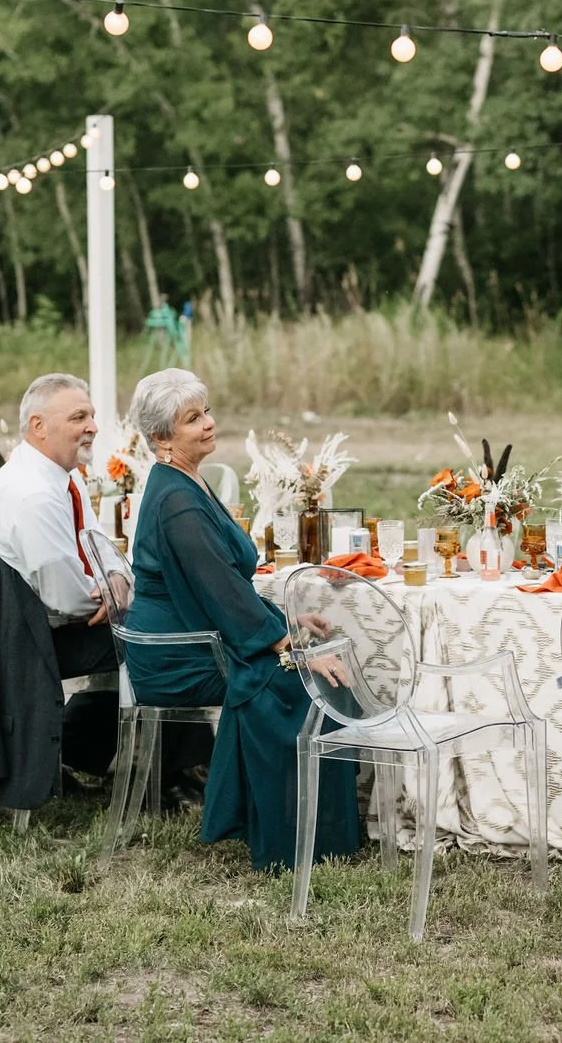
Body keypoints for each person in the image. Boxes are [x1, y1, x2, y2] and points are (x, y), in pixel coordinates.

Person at [121, 368, 361, 870]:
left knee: (321, 662)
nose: (209, 423)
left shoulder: (186, 480)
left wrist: (287, 627)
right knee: (297, 685)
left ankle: (322, 826)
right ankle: (292, 837)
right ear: (163, 438)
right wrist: (285, 646)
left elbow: (225, 588)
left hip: (199, 630)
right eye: (192, 419)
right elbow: (220, 591)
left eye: (205, 411)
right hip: (177, 652)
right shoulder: (176, 503)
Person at [0, 373, 119, 776]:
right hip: (25, 641)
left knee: (142, 627)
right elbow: (67, 597)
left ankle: (80, 750)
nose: (92, 427)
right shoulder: (34, 492)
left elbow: (96, 541)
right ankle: (169, 772)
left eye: (91, 416)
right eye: (78, 418)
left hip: (41, 626)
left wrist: (114, 580)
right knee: (155, 637)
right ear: (38, 426)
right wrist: (112, 596)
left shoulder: (60, 473)